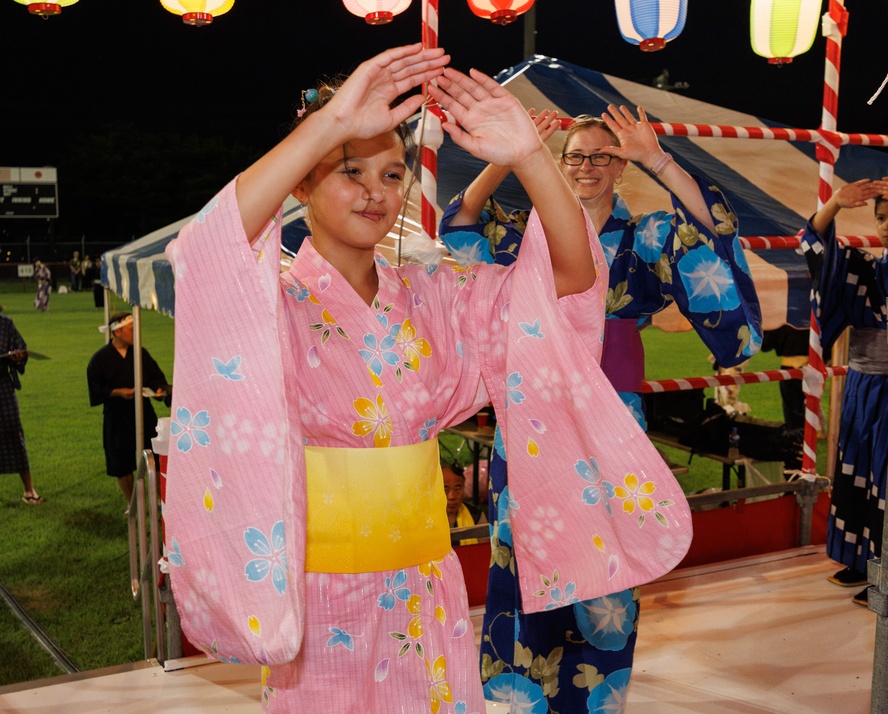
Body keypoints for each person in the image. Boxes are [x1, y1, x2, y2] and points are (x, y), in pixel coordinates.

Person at [163, 45, 693, 713]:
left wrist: (531, 158)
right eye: (349, 172)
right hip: (315, 590)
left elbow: (568, 282)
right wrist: (324, 127)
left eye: (392, 174)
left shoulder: (438, 293)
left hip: (423, 587)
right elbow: (207, 253)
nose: (376, 193)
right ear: (302, 184)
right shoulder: (273, 304)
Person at [440, 107, 762, 709]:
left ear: (619, 168)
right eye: (575, 156)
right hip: (531, 415)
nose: (587, 167)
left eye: (602, 156)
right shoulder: (524, 237)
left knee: (605, 563)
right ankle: (518, 695)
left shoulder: (643, 239)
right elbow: (458, 227)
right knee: (522, 552)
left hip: (610, 414)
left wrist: (657, 157)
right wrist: (510, 156)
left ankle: (594, 698)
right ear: (559, 165)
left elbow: (711, 227)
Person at [799, 177, 888, 606]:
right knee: (855, 470)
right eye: (881, 218)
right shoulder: (866, 269)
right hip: (862, 386)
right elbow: (815, 247)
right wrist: (836, 202)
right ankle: (859, 558)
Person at [86, 312, 170, 504]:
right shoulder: (100, 359)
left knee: (154, 458)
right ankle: (132, 502)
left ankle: (158, 500)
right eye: (132, 330)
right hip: (117, 417)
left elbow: (156, 377)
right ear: (118, 332)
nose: (135, 333)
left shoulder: (140, 353)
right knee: (121, 463)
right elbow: (97, 388)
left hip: (144, 413)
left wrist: (158, 389)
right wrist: (118, 392)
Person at [1, 312, 42, 504]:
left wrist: (17, 357)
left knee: (14, 433)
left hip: (2, 387)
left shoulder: (5, 323)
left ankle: (28, 490)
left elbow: (20, 348)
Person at [443, 462, 485, 546]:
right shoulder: (422, 519)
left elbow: (484, 551)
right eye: (445, 489)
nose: (452, 496)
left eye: (457, 489)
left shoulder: (476, 517)